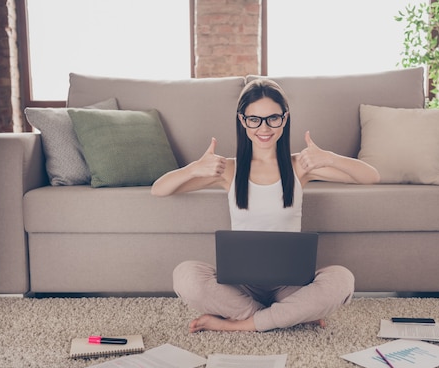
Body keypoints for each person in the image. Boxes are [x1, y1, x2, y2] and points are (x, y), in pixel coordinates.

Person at [151, 79, 380, 332]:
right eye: (254, 119)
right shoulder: (228, 169)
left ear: (285, 119)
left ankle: (239, 324)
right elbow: (159, 188)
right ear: (242, 120)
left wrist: (330, 158)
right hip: (241, 286)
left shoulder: (299, 166)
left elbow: (370, 176)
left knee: (342, 280)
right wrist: (194, 168)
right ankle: (289, 316)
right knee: (185, 276)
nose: (264, 128)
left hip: (290, 285)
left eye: (273, 118)